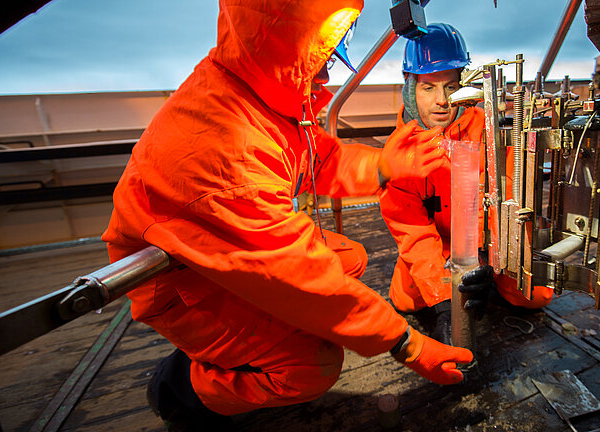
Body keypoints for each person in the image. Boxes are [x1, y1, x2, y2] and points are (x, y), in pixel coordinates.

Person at [102, 2, 473, 429]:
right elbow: (300, 276)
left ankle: (235, 346)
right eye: (319, 59)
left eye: (330, 57)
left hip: (215, 248)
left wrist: (382, 167)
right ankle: (185, 389)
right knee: (311, 366)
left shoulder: (253, 90)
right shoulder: (226, 149)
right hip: (181, 281)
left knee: (348, 258)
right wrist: (405, 343)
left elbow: (316, 157)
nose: (328, 75)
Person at [379, 23, 555, 345]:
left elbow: (508, 204)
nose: (441, 101)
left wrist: (487, 260)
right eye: (428, 87)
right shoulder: (398, 153)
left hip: (486, 242)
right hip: (437, 246)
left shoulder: (491, 134)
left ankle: (489, 281)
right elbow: (413, 233)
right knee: (407, 298)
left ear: (466, 86)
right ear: (410, 89)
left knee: (537, 295)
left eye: (450, 86)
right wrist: (447, 301)